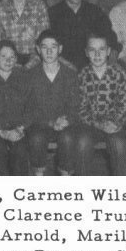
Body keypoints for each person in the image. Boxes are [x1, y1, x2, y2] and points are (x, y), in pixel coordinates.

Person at [24, 30, 80, 176]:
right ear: (38, 49)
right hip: (41, 124)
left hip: (64, 124)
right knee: (36, 138)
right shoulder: (30, 76)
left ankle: (65, 176)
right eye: (44, 47)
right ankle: (38, 175)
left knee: (67, 138)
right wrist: (50, 123)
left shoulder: (71, 74)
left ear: (60, 49)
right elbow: (28, 109)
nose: (49, 51)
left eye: (53, 47)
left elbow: (75, 106)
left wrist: (66, 120)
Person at [76, 34, 126, 175]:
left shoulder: (118, 73)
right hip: (91, 125)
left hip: (113, 123)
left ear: (108, 51)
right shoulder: (82, 75)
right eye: (92, 50)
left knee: (119, 145)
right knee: (82, 143)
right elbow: (81, 109)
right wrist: (98, 124)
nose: (97, 54)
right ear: (86, 53)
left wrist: (113, 123)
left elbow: (124, 104)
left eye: (102, 49)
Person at [48, 0, 117, 72]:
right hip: (62, 66)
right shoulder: (53, 13)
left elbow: (110, 36)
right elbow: (47, 43)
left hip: (93, 65)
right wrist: (61, 61)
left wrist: (112, 52)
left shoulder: (95, 11)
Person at [0, 41, 30, 175]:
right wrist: (2, 132)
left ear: (16, 59)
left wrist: (20, 128)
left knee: (20, 151)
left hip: (18, 130)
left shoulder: (24, 77)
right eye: (3, 56)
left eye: (12, 57)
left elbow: (31, 107)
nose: (8, 60)